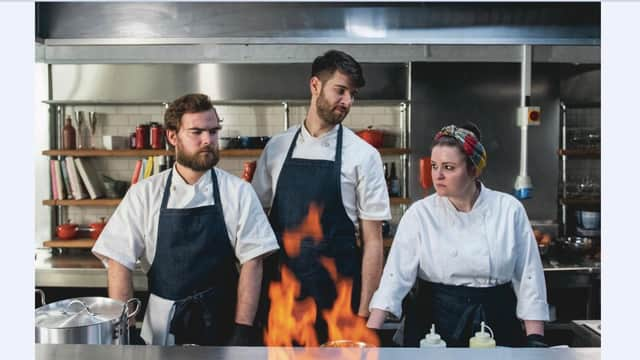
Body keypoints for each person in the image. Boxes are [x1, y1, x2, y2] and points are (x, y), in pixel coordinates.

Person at [92, 93, 279, 346]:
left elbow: (253, 262)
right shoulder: (145, 193)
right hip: (161, 328)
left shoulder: (238, 192)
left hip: (223, 324)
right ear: (172, 136)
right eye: (197, 132)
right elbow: (118, 262)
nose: (208, 140)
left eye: (213, 131)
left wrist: (243, 329)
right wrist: (126, 329)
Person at [366, 123, 549, 347]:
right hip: (433, 326)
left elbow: (529, 277)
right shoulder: (421, 214)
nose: (438, 175)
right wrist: (371, 334)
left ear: (474, 170)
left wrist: (535, 339)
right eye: (434, 166)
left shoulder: (508, 209)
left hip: (495, 323)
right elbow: (395, 278)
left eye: (449, 167)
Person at [252, 50, 391, 342]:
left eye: (352, 94)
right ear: (315, 85)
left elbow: (373, 242)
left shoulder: (364, 155)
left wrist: (364, 314)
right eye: (340, 91)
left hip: (339, 304)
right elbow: (254, 226)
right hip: (282, 301)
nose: (348, 101)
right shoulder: (276, 148)